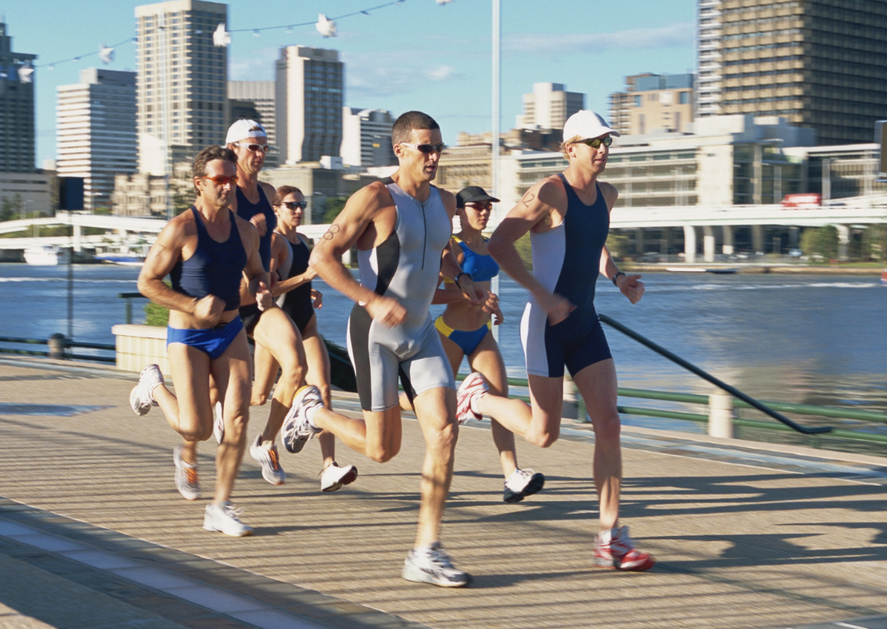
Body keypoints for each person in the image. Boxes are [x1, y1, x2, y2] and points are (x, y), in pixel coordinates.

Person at [280, 111, 486, 587]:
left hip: (422, 333)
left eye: (438, 148)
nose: (435, 157)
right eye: (425, 148)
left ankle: (426, 551)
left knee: (445, 433)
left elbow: (446, 251)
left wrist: (465, 281)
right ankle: (315, 414)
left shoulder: (446, 201)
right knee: (382, 449)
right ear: (401, 150)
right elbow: (321, 258)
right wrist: (369, 299)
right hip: (375, 333)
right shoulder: (374, 198)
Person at [483, 110, 656, 571]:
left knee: (610, 425)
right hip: (544, 325)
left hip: (585, 323)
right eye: (594, 141)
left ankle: (610, 537)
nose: (602, 149)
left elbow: (590, 242)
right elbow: (498, 244)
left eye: (608, 141)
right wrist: (542, 293)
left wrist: (617, 277)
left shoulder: (607, 195)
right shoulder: (548, 192)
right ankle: (480, 399)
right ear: (569, 148)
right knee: (543, 433)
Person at [129, 145, 270, 537]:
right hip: (188, 336)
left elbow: (258, 272)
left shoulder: (245, 231)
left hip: (229, 332)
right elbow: (146, 282)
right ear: (199, 184)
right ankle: (154, 387)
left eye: (232, 179)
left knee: (238, 420)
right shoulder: (181, 229)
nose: (228, 187)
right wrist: (192, 304)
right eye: (219, 180)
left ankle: (220, 506)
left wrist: (260, 290)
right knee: (197, 428)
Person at [401, 185, 544, 503]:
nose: (484, 212)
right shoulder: (451, 249)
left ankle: (512, 476)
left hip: (481, 335)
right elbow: (428, 297)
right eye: (476, 207)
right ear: (458, 213)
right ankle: (390, 406)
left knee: (499, 400)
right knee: (433, 405)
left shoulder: (493, 247)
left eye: (488, 207)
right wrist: (466, 294)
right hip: (448, 334)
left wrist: (492, 306)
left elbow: (485, 291)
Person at [221, 120, 304, 489]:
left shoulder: (268, 190)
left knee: (297, 365)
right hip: (225, 303)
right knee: (208, 415)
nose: (260, 154)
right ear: (233, 149)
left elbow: (270, 243)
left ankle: (266, 441)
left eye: (264, 147)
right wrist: (249, 228)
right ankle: (155, 389)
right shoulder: (225, 193)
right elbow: (218, 241)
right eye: (252, 146)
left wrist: (274, 271)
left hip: (259, 301)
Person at [260, 185, 358, 492]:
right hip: (278, 326)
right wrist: (304, 279)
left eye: (302, 204)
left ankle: (328, 466)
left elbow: (298, 280)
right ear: (276, 209)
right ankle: (265, 441)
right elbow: (268, 289)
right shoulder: (274, 242)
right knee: (256, 396)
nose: (298, 210)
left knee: (322, 388)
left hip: (306, 324)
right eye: (291, 205)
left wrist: (309, 289)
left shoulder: (304, 241)